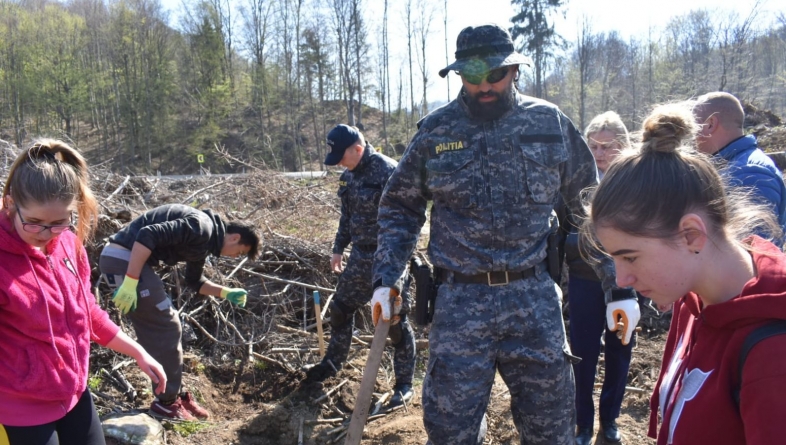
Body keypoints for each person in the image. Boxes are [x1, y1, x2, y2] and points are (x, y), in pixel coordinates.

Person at [369, 24, 640, 445]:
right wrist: (388, 278)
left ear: (514, 70)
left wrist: (618, 285)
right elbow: (400, 207)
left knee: (552, 429)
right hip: (459, 304)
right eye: (472, 77)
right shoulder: (436, 133)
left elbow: (592, 208)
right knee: (450, 432)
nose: (484, 86)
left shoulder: (549, 124)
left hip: (534, 300)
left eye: (494, 75)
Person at [583, 102, 786, 444]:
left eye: (630, 257)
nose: (621, 280)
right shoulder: (692, 299)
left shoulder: (772, 355)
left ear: (691, 234)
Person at [0, 139, 167, 445]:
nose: (46, 234)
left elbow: (86, 313)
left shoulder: (67, 245)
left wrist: (138, 352)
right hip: (19, 407)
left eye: (59, 222)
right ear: (10, 204)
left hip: (74, 395)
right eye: (34, 223)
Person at [98, 203, 260, 420]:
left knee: (160, 324)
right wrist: (130, 281)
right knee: (167, 324)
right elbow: (147, 234)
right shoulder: (202, 227)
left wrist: (226, 292)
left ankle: (171, 394)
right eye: (239, 252)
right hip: (123, 259)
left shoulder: (203, 243)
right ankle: (166, 402)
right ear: (234, 237)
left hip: (125, 260)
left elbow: (195, 281)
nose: (233, 257)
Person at [303, 124, 416, 409]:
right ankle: (332, 363)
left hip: (390, 258)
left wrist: (395, 267)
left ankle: (404, 384)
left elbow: (408, 223)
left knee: (394, 321)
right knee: (341, 310)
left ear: (358, 148)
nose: (340, 163)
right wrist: (338, 249)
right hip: (360, 258)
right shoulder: (348, 178)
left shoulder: (390, 172)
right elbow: (347, 217)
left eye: (343, 156)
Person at [565, 111, 635, 445]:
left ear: (624, 145)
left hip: (627, 280)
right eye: (593, 145)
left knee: (620, 350)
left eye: (608, 146)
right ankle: (582, 423)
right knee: (583, 352)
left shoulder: (638, 182)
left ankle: (609, 420)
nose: (600, 153)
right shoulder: (578, 180)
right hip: (584, 281)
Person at [693, 91, 786, 246]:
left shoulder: (750, 172)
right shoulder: (733, 166)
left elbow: (756, 250)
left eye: (693, 124)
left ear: (710, 124)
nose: (691, 134)